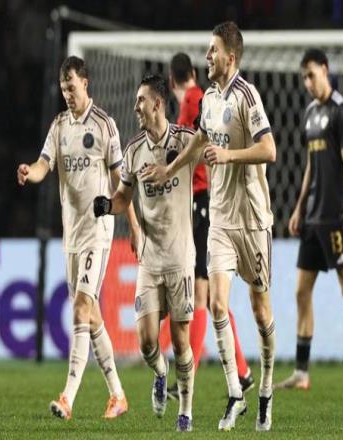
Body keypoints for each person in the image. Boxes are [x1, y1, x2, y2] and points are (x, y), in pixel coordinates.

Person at [141, 22, 277, 432]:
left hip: (252, 219)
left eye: (213, 50)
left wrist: (229, 155)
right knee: (216, 304)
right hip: (219, 217)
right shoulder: (211, 98)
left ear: (230, 57)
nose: (207, 56)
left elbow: (269, 149)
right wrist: (169, 170)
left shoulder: (247, 96)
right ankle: (236, 392)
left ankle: (265, 390)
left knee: (260, 311)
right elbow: (200, 140)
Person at [17, 56, 139, 420]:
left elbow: (121, 183)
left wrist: (133, 226)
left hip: (98, 232)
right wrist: (29, 172)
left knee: (81, 307)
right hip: (71, 234)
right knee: (93, 316)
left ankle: (67, 397)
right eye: (63, 89)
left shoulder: (104, 124)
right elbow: (44, 164)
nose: (67, 94)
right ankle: (118, 395)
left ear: (85, 83)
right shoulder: (59, 125)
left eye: (72, 87)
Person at [94, 74, 197, 432]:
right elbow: (124, 196)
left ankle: (185, 411)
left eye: (141, 100)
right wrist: (108, 205)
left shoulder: (184, 140)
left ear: (157, 103)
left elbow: (206, 146)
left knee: (181, 340)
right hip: (150, 260)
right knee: (147, 342)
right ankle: (160, 373)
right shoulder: (134, 150)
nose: (136, 106)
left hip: (181, 259)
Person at [275, 48, 343, 391]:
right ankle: (302, 373)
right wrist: (298, 208)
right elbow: (311, 165)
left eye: (311, 74)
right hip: (312, 218)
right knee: (301, 291)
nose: (308, 82)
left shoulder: (341, 111)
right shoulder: (310, 113)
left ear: (325, 69)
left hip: (336, 218)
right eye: (304, 77)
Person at [165, 52, 254, 401]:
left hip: (202, 204)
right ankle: (243, 371)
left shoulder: (193, 100)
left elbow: (194, 148)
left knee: (201, 295)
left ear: (171, 80)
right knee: (215, 297)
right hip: (205, 204)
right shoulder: (199, 99)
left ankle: (187, 376)